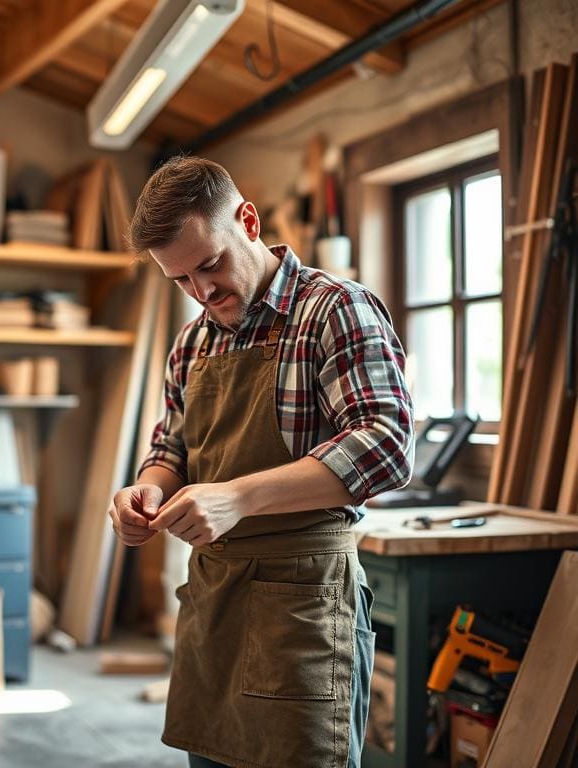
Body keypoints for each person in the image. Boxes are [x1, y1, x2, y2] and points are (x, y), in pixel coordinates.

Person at [109, 156, 414, 768]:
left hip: (301, 612)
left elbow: (385, 445)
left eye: (210, 265)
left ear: (247, 220)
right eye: (181, 281)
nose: (202, 292)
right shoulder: (193, 342)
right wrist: (143, 488)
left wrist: (238, 497)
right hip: (214, 608)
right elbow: (172, 446)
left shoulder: (333, 312)